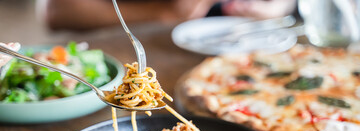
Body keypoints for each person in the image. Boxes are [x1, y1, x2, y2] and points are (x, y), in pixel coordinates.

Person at [36, 0, 296, 31]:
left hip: (244, 42)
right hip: (127, 42)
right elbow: (57, 11)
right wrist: (163, 13)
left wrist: (275, 7)